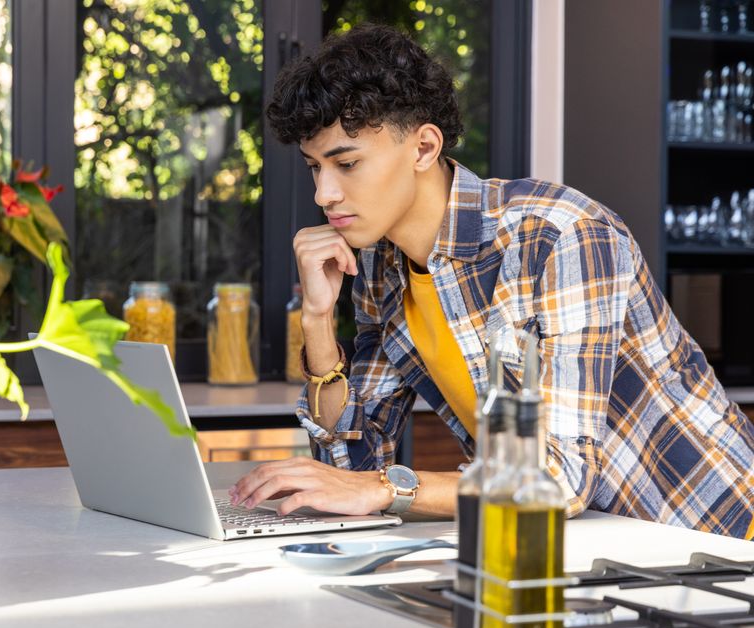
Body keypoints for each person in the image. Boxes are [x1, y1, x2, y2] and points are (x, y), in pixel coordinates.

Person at [229, 23, 754, 538]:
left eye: (346, 164)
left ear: (423, 148)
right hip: (580, 546)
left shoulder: (561, 235)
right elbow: (352, 460)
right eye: (314, 168)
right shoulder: (379, 267)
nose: (324, 194)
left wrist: (392, 488)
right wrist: (318, 321)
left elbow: (557, 480)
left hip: (711, 538)